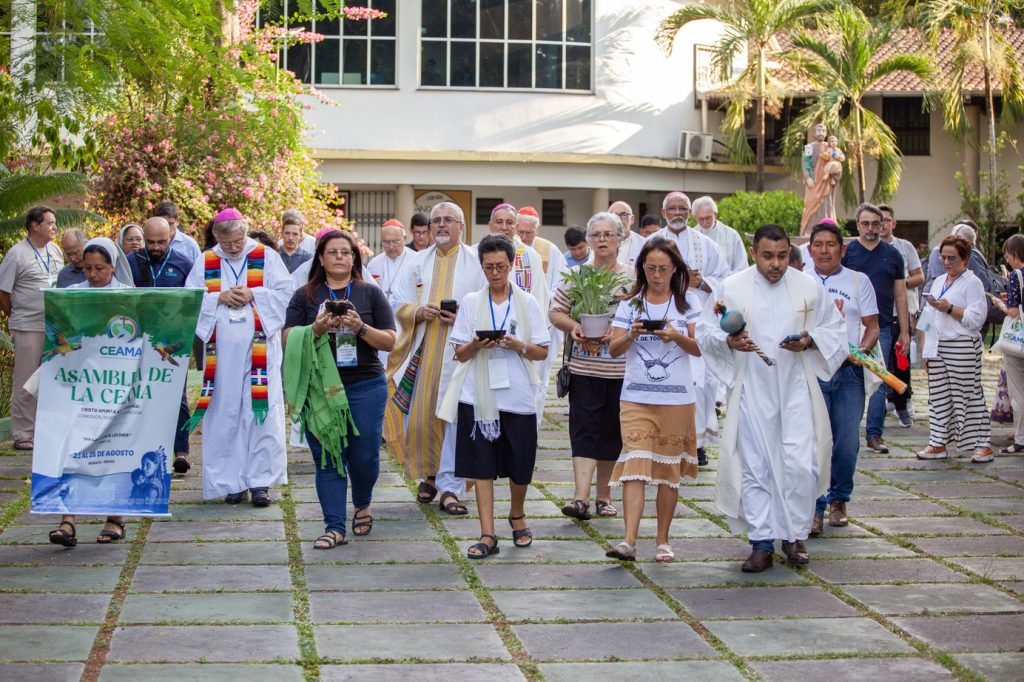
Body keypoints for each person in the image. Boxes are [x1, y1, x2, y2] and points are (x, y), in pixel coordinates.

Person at [697, 224, 845, 572]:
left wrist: (808, 341)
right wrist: (729, 343)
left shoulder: (808, 286)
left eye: (781, 256)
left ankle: (794, 536)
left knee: (800, 464)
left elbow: (834, 329)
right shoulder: (731, 288)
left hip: (795, 388)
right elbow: (705, 330)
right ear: (754, 253)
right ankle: (761, 542)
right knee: (755, 465)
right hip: (752, 388)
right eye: (767, 256)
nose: (775, 264)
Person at [284, 230, 396, 548]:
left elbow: (389, 340)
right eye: (332, 252)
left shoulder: (369, 294)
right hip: (319, 387)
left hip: (366, 386)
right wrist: (317, 328)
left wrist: (359, 327)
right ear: (320, 257)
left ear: (354, 258)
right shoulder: (305, 296)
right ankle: (334, 527)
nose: (339, 257)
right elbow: (287, 338)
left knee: (364, 457)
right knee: (328, 457)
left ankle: (361, 503)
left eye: (345, 252)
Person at [441, 234, 550, 559]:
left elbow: (542, 352)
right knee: (481, 466)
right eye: (489, 267)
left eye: (501, 266)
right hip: (478, 397)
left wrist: (519, 346)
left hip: (516, 396)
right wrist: (477, 344)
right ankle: (487, 533)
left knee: (520, 465)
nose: (495, 272)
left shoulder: (527, 302)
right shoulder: (472, 301)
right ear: (482, 267)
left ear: (511, 264)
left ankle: (517, 514)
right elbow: (459, 353)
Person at [184, 208, 293, 505]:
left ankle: (260, 482)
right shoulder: (205, 261)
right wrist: (217, 297)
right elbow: (190, 299)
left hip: (260, 350)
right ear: (217, 238)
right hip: (220, 356)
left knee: (261, 412)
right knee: (225, 413)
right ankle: (230, 482)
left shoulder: (266, 256)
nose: (234, 247)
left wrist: (254, 294)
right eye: (228, 243)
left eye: (238, 241)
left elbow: (286, 293)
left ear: (246, 232)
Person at [603, 238, 702, 562]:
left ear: (675, 269)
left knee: (668, 472)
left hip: (677, 399)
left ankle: (662, 540)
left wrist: (675, 335)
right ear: (642, 269)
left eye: (663, 268)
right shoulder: (631, 304)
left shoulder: (687, 304)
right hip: (636, 397)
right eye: (650, 268)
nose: (657, 274)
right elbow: (614, 348)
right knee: (635, 464)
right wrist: (631, 334)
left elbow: (700, 348)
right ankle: (628, 541)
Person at [383, 202, 486, 515]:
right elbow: (398, 301)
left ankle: (451, 487)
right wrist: (419, 311)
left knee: (454, 419)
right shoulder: (416, 262)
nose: (441, 225)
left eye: (448, 220)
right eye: (436, 221)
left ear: (461, 227)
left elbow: (488, 302)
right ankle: (429, 476)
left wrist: (464, 318)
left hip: (462, 352)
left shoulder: (476, 261)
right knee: (420, 418)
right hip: (424, 351)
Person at [628, 192, 728, 466]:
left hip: (694, 319)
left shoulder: (706, 245)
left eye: (682, 208)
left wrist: (702, 281)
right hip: (657, 316)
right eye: (672, 208)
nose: (677, 212)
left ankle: (696, 443)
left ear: (689, 212)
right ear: (663, 211)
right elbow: (638, 274)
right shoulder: (651, 243)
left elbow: (726, 278)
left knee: (700, 383)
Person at [47, 236, 134, 548]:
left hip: (115, 388)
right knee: (71, 448)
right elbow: (56, 333)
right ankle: (67, 521)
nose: (93, 274)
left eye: (100, 268)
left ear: (113, 266)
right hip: (78, 387)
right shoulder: (71, 295)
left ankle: (115, 518)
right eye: (88, 268)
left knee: (112, 451)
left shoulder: (128, 296)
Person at [549, 213, 634, 520]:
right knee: (584, 429)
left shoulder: (633, 278)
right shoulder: (577, 274)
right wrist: (573, 327)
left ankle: (603, 495)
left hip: (621, 369)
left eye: (608, 235)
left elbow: (642, 316)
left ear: (620, 239)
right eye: (595, 234)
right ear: (588, 240)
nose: (601, 240)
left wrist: (622, 331)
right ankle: (580, 497)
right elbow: (556, 311)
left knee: (613, 432)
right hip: (584, 368)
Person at [806, 222, 880, 535]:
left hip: (849, 372)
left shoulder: (858, 280)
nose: (824, 251)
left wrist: (861, 350)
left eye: (830, 245)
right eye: (818, 245)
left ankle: (839, 500)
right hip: (812, 369)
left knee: (846, 443)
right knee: (816, 442)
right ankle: (815, 508)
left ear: (843, 249)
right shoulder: (800, 281)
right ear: (809, 250)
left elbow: (872, 326)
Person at [127, 217, 196, 473]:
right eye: (150, 241)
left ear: (171, 236)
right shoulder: (130, 262)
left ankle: (181, 451)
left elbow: (194, 301)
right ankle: (141, 447)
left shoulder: (184, 264)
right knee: (139, 393)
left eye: (161, 241)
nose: (155, 247)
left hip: (173, 340)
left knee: (177, 394)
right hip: (137, 339)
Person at [841, 203, 909, 454]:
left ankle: (874, 435)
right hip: (850, 326)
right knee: (850, 378)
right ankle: (846, 431)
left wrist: (905, 330)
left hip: (881, 327)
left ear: (884, 225)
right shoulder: (848, 253)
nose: (871, 228)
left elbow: (900, 294)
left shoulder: (893, 254)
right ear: (858, 225)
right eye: (865, 223)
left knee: (880, 378)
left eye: (875, 223)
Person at [917, 236, 992, 463]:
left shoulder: (973, 283)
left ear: (965, 258)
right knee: (938, 396)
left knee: (968, 395)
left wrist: (950, 308)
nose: (947, 262)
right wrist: (925, 348)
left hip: (962, 344)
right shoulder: (939, 280)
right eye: (944, 258)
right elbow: (929, 315)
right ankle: (937, 442)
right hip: (937, 344)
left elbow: (976, 319)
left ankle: (983, 444)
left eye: (952, 258)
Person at [0, 206, 63, 451]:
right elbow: (3, 291)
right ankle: (23, 433)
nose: (54, 227)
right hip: (28, 326)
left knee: (52, 379)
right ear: (35, 225)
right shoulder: (17, 254)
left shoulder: (55, 250)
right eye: (50, 223)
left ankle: (46, 429)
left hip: (53, 326)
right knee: (26, 379)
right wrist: (14, 314)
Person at [486, 204, 551, 422]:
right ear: (490, 225)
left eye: (509, 223)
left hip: (520, 340)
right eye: (499, 222)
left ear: (516, 226)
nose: (504, 227)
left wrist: (531, 340)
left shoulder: (529, 256)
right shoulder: (478, 251)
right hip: (486, 340)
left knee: (520, 396)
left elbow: (539, 299)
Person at [879, 204, 924, 428]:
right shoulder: (869, 248)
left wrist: (899, 283)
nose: (882, 225)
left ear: (893, 223)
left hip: (901, 312)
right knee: (881, 362)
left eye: (886, 220)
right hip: (877, 314)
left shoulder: (904, 247)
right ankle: (887, 399)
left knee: (901, 361)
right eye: (879, 221)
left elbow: (919, 277)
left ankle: (902, 403)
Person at [993, 234, 1024, 453]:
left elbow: (1013, 311)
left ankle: (1021, 440)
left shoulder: (1016, 276)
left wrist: (1000, 304)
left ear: (1014, 254)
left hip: (1018, 343)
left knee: (1019, 392)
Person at [693, 196, 748, 275]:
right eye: (701, 219)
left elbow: (742, 266)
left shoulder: (732, 235)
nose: (705, 222)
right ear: (695, 217)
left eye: (708, 218)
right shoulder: (691, 235)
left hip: (727, 283)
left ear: (715, 214)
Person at [800, 122, 834, 234]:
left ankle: (827, 228)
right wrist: (807, 178)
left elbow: (836, 160)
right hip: (813, 182)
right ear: (815, 133)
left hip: (825, 182)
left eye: (823, 131)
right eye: (819, 131)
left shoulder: (829, 147)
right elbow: (805, 164)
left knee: (825, 204)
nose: (821, 133)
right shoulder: (809, 147)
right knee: (811, 205)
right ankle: (809, 230)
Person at [608, 200, 648, 267]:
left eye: (624, 215)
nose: (619, 219)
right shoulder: (601, 242)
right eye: (614, 215)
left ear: (632, 219)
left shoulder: (644, 244)